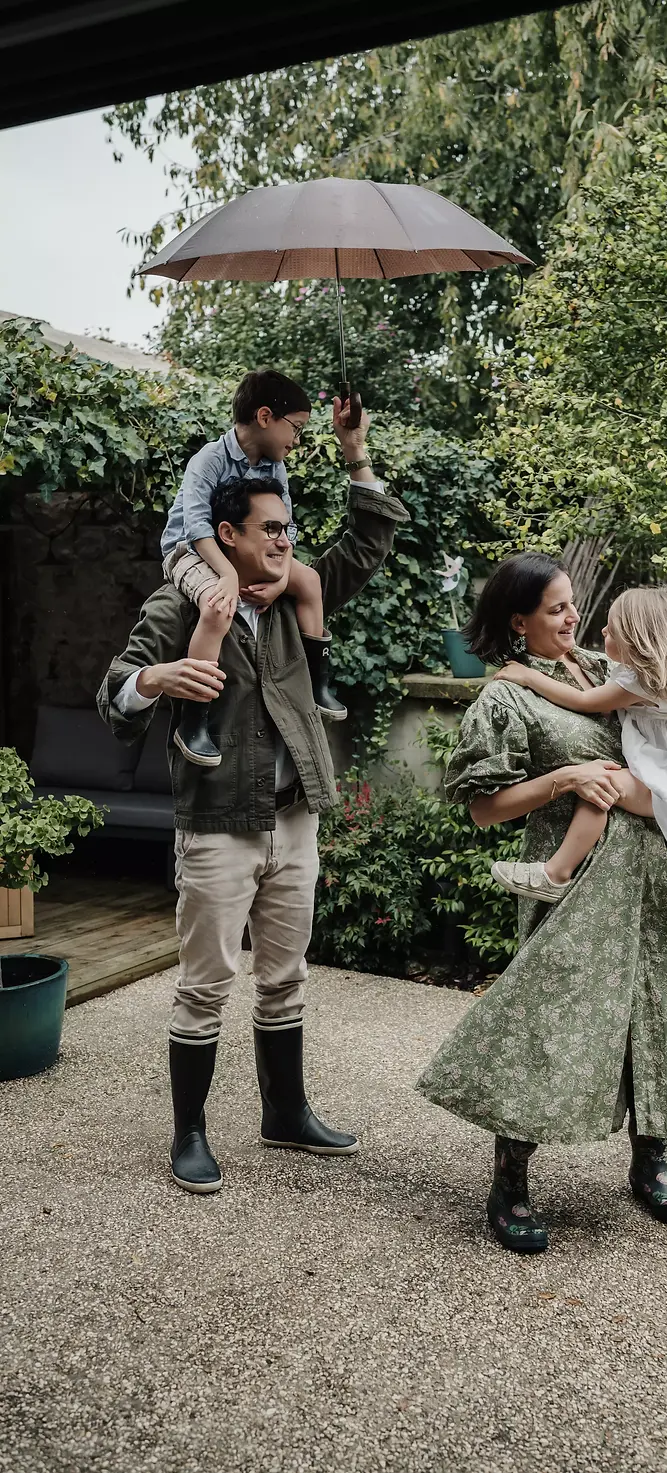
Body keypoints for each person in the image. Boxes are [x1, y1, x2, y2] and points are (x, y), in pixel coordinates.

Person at [98, 402, 409, 1196]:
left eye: (288, 530)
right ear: (227, 538)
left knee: (286, 975)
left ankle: (286, 1111)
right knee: (205, 983)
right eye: (269, 529)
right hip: (217, 828)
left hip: (293, 819)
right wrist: (155, 680)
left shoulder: (297, 597)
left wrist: (354, 451)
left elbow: (369, 540)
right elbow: (113, 693)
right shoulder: (179, 608)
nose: (284, 541)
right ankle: (191, 1132)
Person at [416, 552, 667, 1255]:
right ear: (519, 622)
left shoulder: (606, 675)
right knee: (543, 1016)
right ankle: (509, 1182)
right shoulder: (505, 698)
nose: (574, 617)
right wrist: (562, 777)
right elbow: (481, 810)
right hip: (570, 885)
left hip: (640, 878)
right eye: (556, 609)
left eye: (574, 605)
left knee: (647, 1009)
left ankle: (650, 1158)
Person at [489, 585, 667, 904]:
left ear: (637, 642)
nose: (603, 629)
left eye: (613, 629)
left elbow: (583, 700)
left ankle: (555, 874)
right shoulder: (658, 673)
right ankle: (556, 873)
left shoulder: (640, 682)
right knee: (600, 784)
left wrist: (527, 677)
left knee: (600, 785)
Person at [161, 368, 348, 768]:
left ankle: (318, 683)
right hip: (191, 552)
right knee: (216, 606)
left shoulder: (273, 466)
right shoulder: (209, 459)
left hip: (242, 555)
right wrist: (227, 577)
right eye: (294, 429)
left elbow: (285, 529)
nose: (296, 441)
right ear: (265, 417)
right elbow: (195, 528)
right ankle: (194, 720)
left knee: (310, 580)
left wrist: (281, 580)